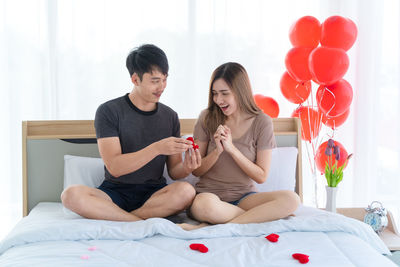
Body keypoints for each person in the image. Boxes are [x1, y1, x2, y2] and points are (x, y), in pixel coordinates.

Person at [61, 44, 201, 222]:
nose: (162, 87)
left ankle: (125, 221)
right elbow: (115, 167)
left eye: (165, 79)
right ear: (135, 79)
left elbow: (174, 171)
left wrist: (187, 167)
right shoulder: (109, 111)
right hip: (114, 192)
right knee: (70, 195)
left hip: (153, 195)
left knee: (186, 191)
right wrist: (157, 148)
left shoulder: (170, 116)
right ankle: (137, 222)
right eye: (155, 81)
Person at [180, 62, 300, 230]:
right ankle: (258, 218)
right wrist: (217, 151)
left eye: (224, 93)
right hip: (210, 197)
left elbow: (261, 176)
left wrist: (232, 149)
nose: (218, 100)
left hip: (245, 197)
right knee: (203, 206)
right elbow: (196, 170)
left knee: (292, 199)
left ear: (240, 91)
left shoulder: (262, 122)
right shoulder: (207, 117)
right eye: (215, 94)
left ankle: (211, 228)